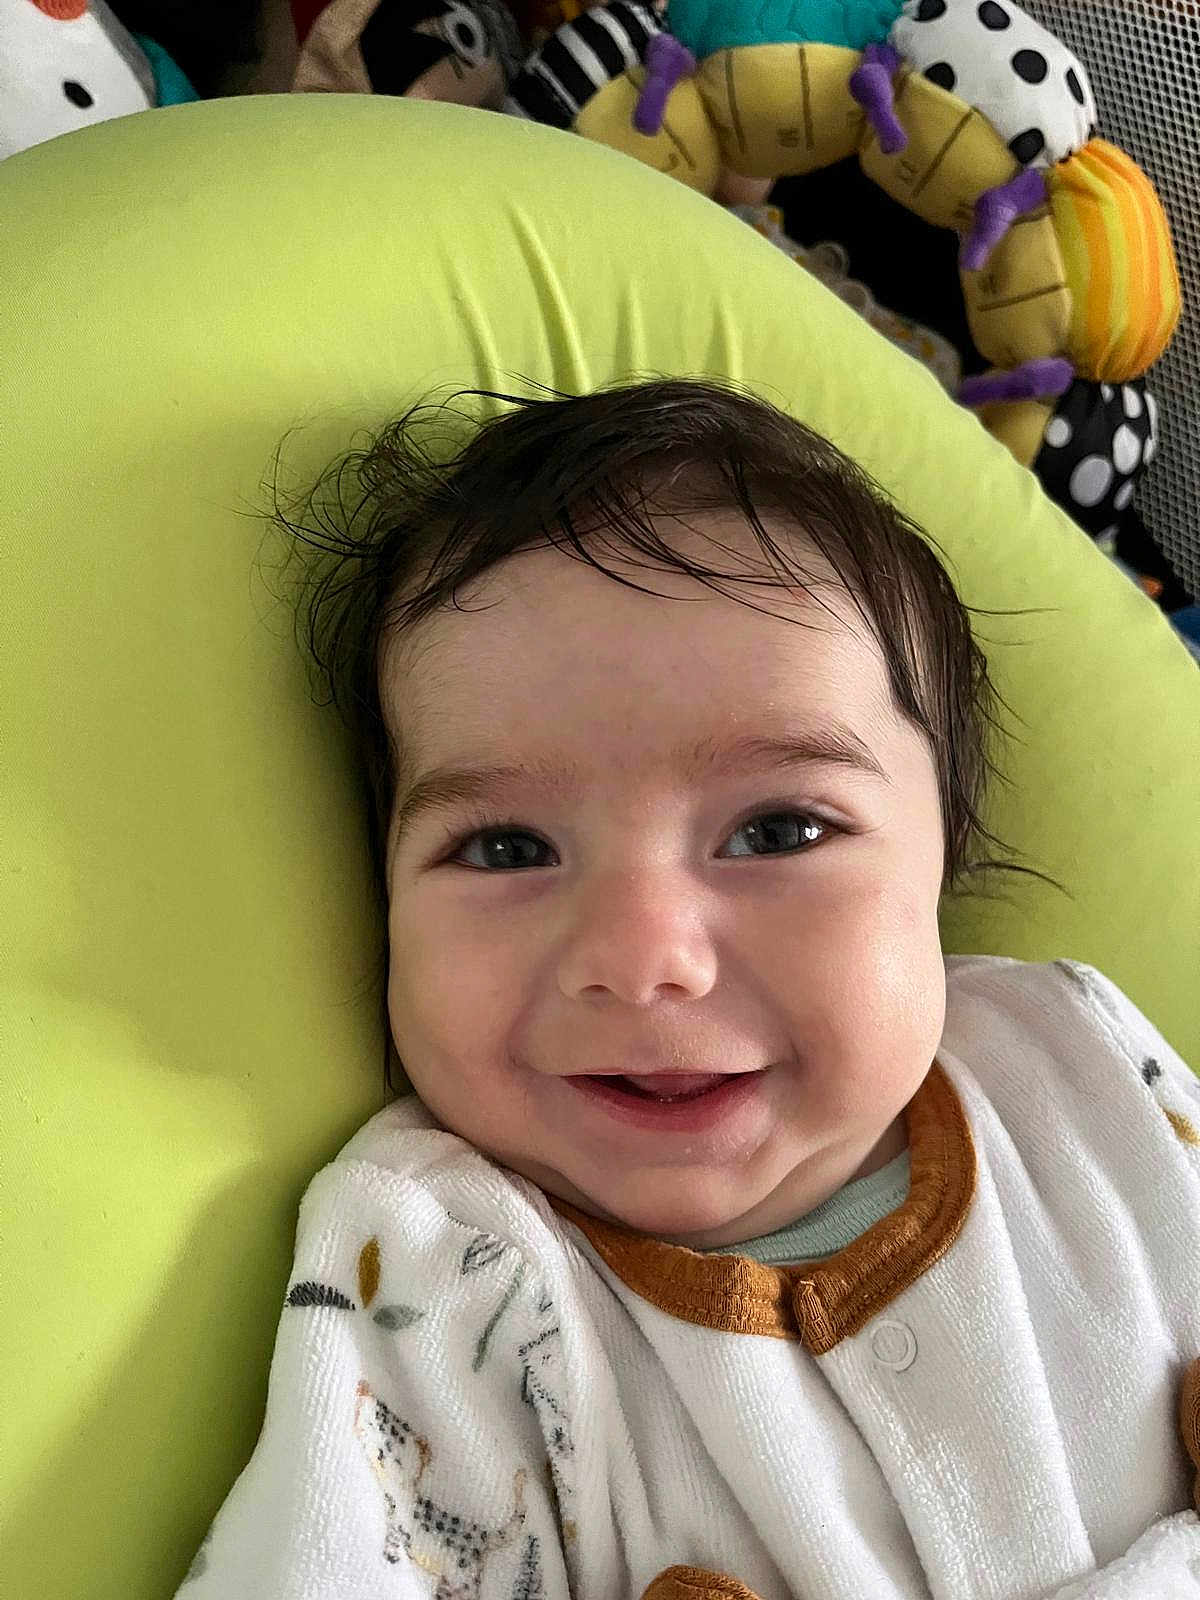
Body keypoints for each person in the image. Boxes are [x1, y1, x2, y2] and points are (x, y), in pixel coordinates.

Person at [175, 376, 1200, 1598]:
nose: (643, 954)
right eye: (506, 847)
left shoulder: (1070, 1059)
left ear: (943, 861)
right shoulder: (441, 1273)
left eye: (777, 829)